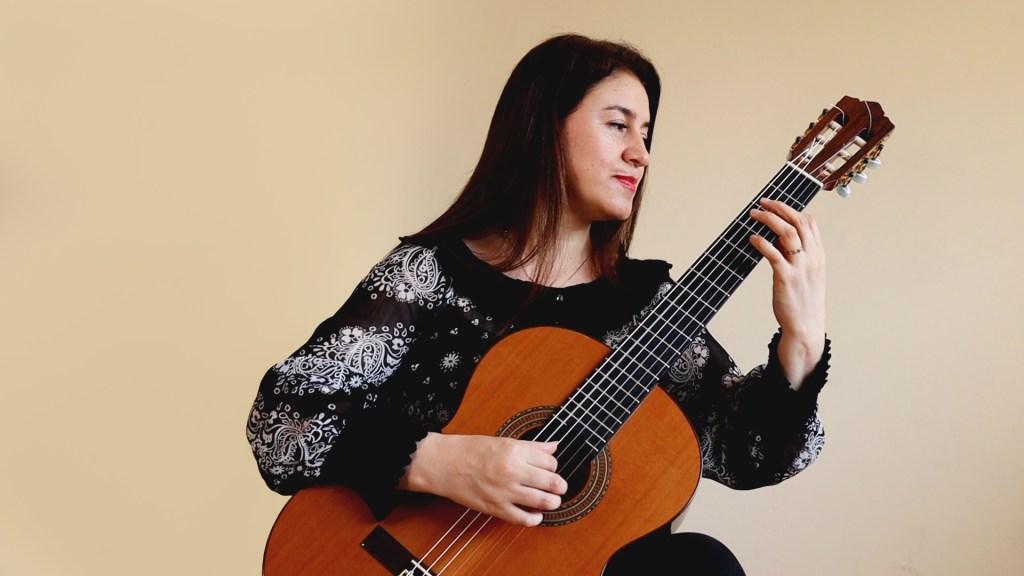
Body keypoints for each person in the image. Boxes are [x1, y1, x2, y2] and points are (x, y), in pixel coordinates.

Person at [247, 33, 829, 575]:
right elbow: (282, 423)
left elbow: (749, 454)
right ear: (544, 127)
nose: (641, 154)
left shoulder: (649, 308)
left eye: (646, 134)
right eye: (618, 125)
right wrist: (447, 463)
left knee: (699, 563)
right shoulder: (429, 276)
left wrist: (801, 343)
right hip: (407, 555)